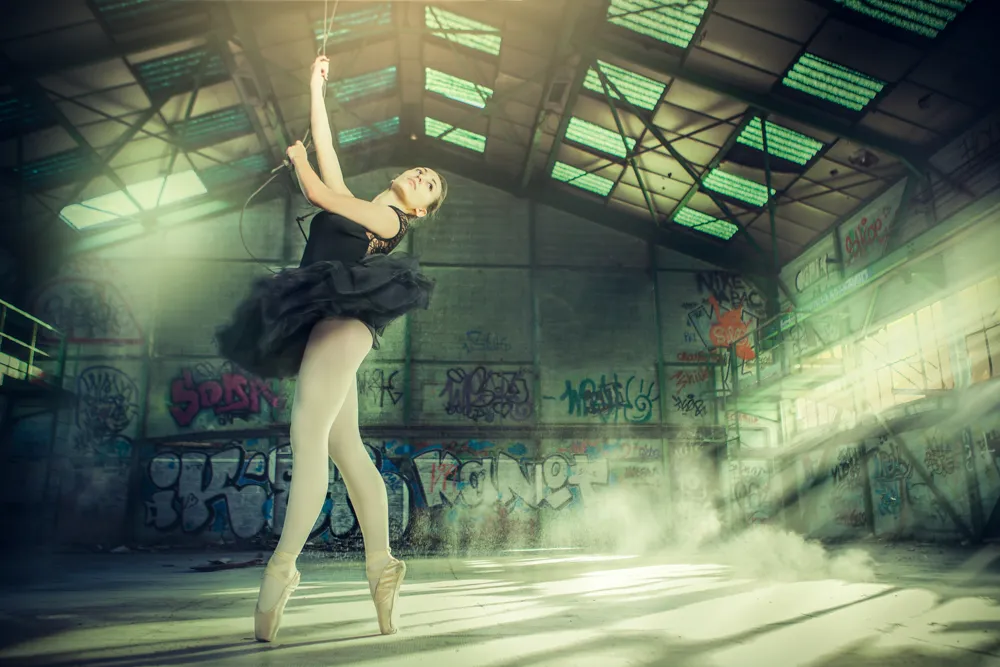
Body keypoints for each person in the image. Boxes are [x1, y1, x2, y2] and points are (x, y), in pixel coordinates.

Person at [215, 54, 448, 642]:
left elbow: (319, 189)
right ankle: (382, 566)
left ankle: (281, 568)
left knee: (307, 437)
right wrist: (315, 87)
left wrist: (296, 161)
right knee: (347, 449)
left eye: (430, 184)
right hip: (331, 322)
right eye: (422, 169)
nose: (422, 173)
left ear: (419, 210)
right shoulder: (365, 204)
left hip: (343, 323)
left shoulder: (386, 219)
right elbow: (331, 158)